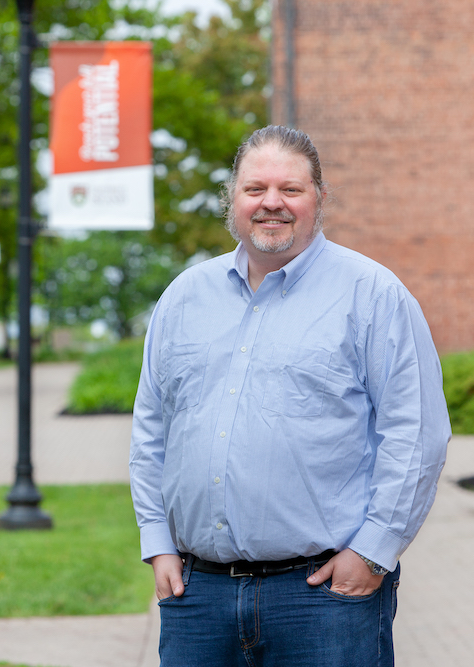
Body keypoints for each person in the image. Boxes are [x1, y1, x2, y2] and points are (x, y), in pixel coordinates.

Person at [129, 125, 451, 667]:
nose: (271, 203)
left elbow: (416, 432)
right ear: (232, 199)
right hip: (197, 597)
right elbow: (151, 430)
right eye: (255, 189)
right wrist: (157, 540)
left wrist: (373, 552)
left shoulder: (372, 295)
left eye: (291, 189)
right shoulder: (183, 298)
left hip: (323, 599)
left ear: (320, 199)